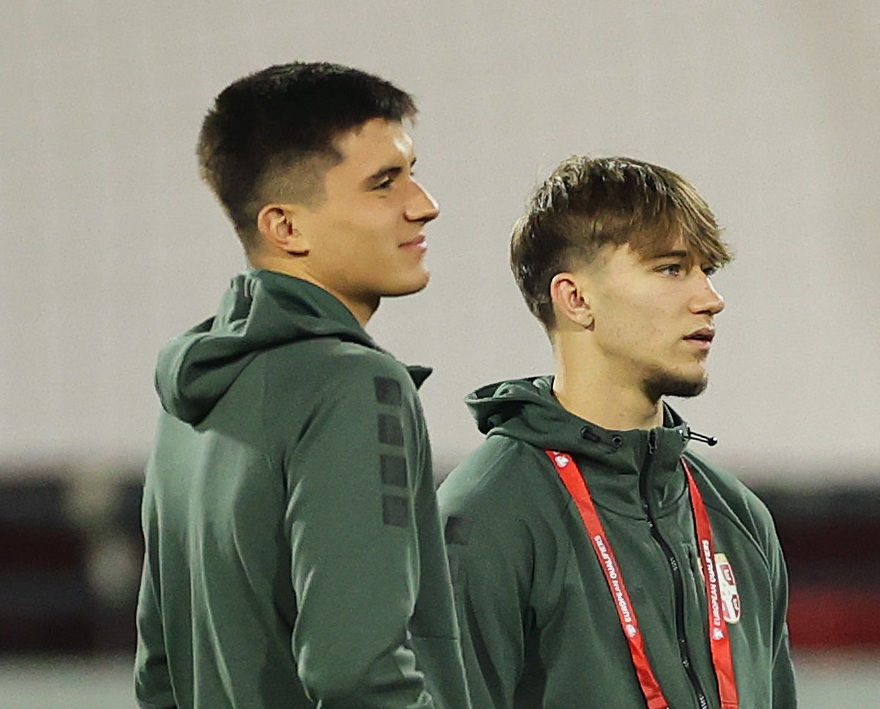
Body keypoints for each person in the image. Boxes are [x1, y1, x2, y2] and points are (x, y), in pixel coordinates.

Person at [134, 62, 470, 709]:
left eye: (411, 171)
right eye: (383, 183)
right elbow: (357, 676)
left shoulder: (191, 396)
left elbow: (159, 676)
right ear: (285, 227)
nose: (423, 203)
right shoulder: (353, 385)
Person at [438, 155, 797, 709]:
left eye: (708, 271)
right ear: (575, 298)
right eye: (671, 268)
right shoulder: (486, 517)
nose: (709, 298)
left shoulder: (738, 516)